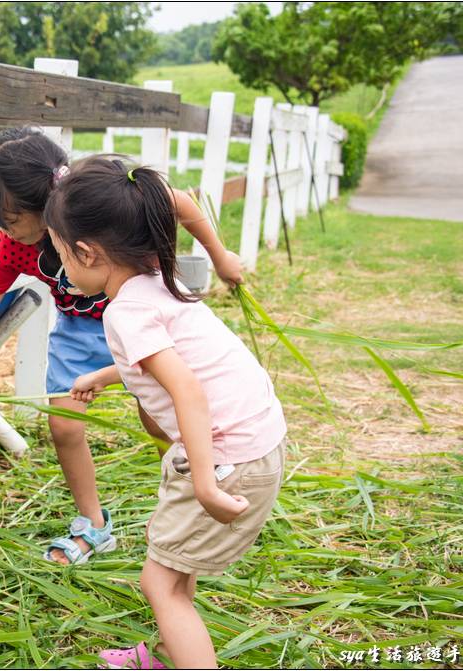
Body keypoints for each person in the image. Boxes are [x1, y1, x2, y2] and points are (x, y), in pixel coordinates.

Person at [0, 128, 244, 565]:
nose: (4, 232)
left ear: (43, 202)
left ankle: (190, 493)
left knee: (160, 420)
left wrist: (219, 256)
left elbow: (180, 202)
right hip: (81, 329)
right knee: (63, 425)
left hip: (145, 321)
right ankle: (94, 524)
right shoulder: (13, 247)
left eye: (8, 220)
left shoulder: (98, 200)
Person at [43, 155, 287, 669]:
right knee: (174, 569)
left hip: (226, 458)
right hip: (255, 437)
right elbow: (168, 359)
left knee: (159, 585)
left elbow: (188, 391)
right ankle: (167, 651)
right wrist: (103, 376)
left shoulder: (127, 312)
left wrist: (203, 484)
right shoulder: (157, 277)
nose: (61, 267)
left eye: (61, 254)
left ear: (87, 253)